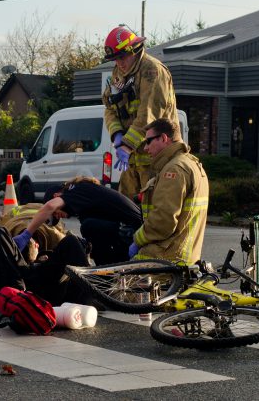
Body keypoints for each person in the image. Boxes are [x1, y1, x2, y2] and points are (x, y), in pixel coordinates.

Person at [102, 24, 179, 200]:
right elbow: (109, 107)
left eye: (122, 57)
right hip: (132, 157)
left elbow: (149, 114)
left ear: (134, 50)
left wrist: (127, 144)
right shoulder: (119, 73)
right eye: (115, 59)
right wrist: (117, 134)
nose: (119, 63)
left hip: (156, 157)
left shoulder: (152, 71)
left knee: (152, 206)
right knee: (126, 207)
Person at [129, 117, 209, 265]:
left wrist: (137, 239)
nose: (146, 148)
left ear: (164, 138)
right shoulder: (191, 163)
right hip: (182, 258)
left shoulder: (173, 170)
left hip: (165, 260)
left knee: (113, 286)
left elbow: (163, 221)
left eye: (148, 141)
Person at [11, 176, 144, 265]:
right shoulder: (82, 207)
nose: (59, 217)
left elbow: (50, 206)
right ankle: (110, 275)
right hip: (129, 229)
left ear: (56, 196)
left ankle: (105, 276)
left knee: (88, 227)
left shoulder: (75, 190)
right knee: (87, 233)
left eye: (55, 214)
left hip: (134, 229)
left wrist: (26, 234)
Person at [0, 226, 90, 306]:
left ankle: (92, 289)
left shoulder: (44, 259)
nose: (36, 244)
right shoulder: (6, 266)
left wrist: (38, 260)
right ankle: (92, 288)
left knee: (72, 241)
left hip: (44, 284)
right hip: (21, 284)